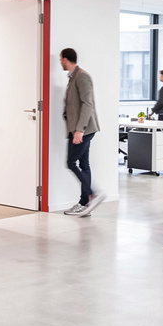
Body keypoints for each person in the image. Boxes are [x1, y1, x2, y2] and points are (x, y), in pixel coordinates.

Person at [60, 47, 104, 216]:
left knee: (71, 162)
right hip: (78, 128)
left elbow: (88, 104)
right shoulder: (73, 77)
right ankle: (85, 203)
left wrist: (80, 130)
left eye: (61, 59)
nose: (60, 62)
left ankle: (93, 194)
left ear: (65, 59)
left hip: (83, 129)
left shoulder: (82, 76)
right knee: (84, 164)